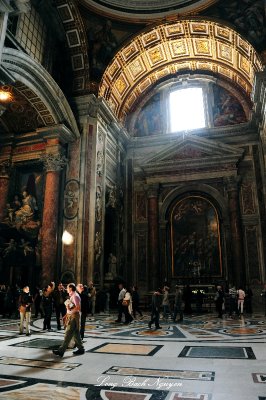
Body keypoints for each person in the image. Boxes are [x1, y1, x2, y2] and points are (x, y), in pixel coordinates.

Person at [52, 283, 85, 357]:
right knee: (76, 334)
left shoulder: (75, 296)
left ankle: (61, 351)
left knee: (68, 333)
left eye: (67, 287)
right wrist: (67, 312)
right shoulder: (73, 296)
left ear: (70, 288)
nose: (66, 288)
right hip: (72, 315)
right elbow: (73, 307)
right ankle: (81, 349)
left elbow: (78, 308)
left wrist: (70, 311)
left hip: (73, 317)